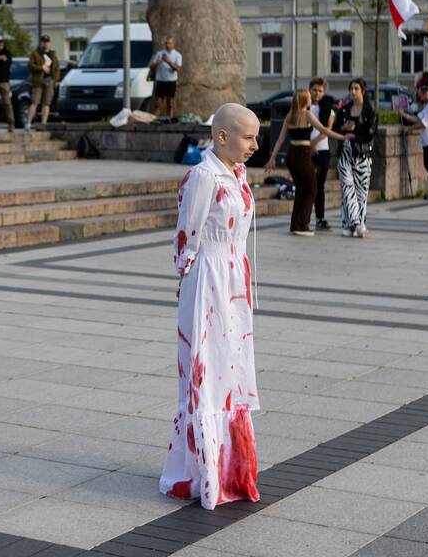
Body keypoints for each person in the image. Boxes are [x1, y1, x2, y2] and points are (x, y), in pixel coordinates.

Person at [161, 103, 261, 510]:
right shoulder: (203, 176)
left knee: (231, 372)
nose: (255, 144)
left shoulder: (237, 173)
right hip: (208, 280)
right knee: (208, 373)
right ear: (222, 136)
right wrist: (185, 277)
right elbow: (186, 235)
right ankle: (203, 473)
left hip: (233, 279)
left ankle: (230, 470)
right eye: (248, 137)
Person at [264, 90, 350, 236]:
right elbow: (323, 129)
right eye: (309, 97)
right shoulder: (307, 114)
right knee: (312, 189)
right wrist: (342, 137)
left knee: (301, 189)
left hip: (292, 154)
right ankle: (302, 225)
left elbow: (280, 139)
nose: (311, 98)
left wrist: (272, 158)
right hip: (303, 153)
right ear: (305, 100)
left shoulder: (289, 116)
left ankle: (295, 224)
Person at [333, 79, 378, 238]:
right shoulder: (344, 110)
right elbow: (334, 129)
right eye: (351, 88)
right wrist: (343, 129)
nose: (353, 91)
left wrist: (354, 132)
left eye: (356, 88)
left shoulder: (370, 111)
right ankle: (358, 225)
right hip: (345, 152)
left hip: (363, 154)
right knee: (347, 187)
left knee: (361, 192)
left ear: (363, 91)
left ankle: (350, 224)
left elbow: (371, 133)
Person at [308, 78, 337, 231]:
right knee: (308, 185)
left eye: (320, 91)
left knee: (319, 185)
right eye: (315, 90)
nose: (317, 93)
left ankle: (320, 218)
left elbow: (327, 130)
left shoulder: (328, 108)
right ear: (310, 90)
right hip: (306, 151)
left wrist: (313, 144)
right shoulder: (304, 107)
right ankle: (304, 217)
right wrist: (308, 145)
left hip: (322, 150)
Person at [27, 34, 60, 129]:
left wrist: (55, 79)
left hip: (49, 81)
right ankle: (28, 123)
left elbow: (57, 68)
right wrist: (41, 68)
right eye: (43, 42)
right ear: (41, 43)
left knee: (47, 103)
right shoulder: (35, 54)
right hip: (38, 81)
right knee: (34, 102)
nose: (45, 44)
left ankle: (44, 123)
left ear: (49, 43)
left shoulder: (53, 54)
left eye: (47, 42)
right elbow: (30, 66)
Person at [148, 37, 182, 118]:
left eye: (169, 43)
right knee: (158, 103)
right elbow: (151, 67)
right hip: (160, 81)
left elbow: (177, 68)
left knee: (170, 103)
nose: (167, 45)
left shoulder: (177, 55)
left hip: (171, 81)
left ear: (173, 44)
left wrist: (168, 61)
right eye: (166, 43)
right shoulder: (159, 54)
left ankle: (170, 119)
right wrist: (157, 63)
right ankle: (155, 120)